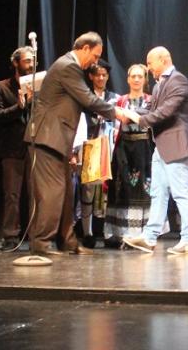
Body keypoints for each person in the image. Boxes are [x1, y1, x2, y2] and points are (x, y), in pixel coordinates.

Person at [25, 32, 125, 256]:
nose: (95, 62)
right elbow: (87, 98)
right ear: (85, 48)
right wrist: (117, 112)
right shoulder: (68, 66)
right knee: (52, 193)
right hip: (46, 138)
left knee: (66, 193)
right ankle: (41, 244)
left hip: (58, 139)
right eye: (95, 56)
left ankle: (68, 242)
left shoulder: (70, 67)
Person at [123, 46, 188, 254]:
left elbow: (165, 112)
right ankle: (149, 237)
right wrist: (127, 112)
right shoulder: (159, 85)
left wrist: (138, 120)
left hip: (176, 145)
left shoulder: (178, 81)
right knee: (158, 193)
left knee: (181, 193)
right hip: (161, 146)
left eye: (150, 63)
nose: (148, 68)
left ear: (163, 60)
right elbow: (150, 109)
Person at [0, 45, 35, 250]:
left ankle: (37, 236)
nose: (31, 65)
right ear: (16, 63)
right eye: (27, 61)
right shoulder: (1, 87)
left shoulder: (39, 87)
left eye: (33, 61)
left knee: (36, 195)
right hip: (11, 148)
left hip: (35, 147)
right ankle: (10, 236)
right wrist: (19, 107)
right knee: (12, 195)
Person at [104, 64, 154, 245]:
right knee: (122, 187)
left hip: (144, 148)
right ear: (128, 79)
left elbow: (151, 119)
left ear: (145, 79)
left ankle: (143, 232)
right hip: (124, 147)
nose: (136, 79)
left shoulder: (150, 100)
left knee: (143, 187)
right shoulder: (120, 100)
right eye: (133, 76)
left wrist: (129, 115)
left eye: (140, 76)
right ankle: (121, 232)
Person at [79, 60, 119, 248]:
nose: (101, 78)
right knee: (88, 189)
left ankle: (108, 232)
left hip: (110, 146)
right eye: (97, 75)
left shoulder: (114, 98)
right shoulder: (85, 97)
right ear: (91, 76)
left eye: (104, 75)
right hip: (91, 144)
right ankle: (87, 232)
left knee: (108, 189)